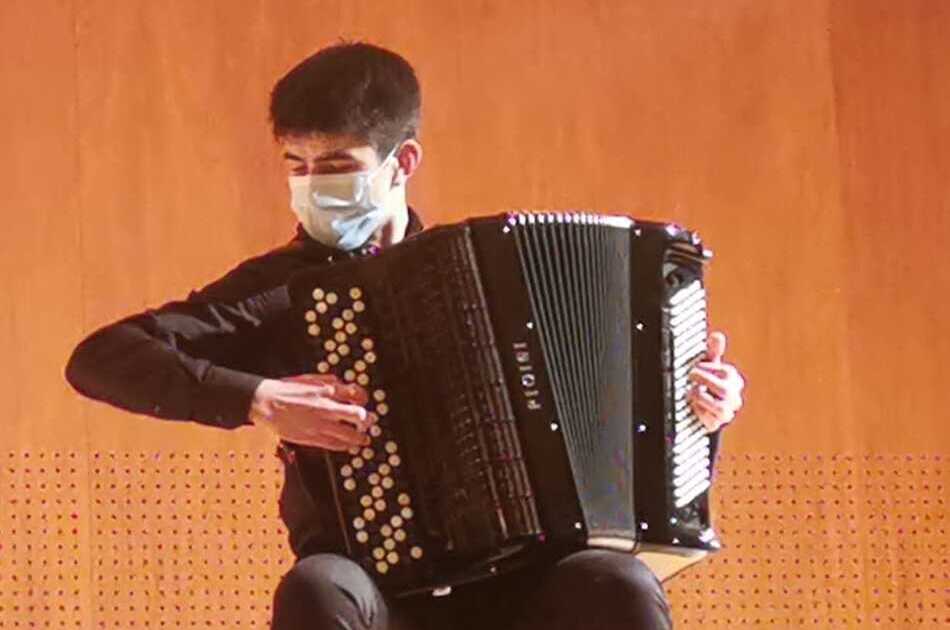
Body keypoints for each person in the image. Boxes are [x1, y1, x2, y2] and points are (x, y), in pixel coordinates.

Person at [64, 41, 745, 630]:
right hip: (377, 593)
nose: (310, 185)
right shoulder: (276, 289)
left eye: (334, 165)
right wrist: (261, 399)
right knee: (317, 587)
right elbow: (101, 359)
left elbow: (629, 434)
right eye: (295, 165)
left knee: (618, 584)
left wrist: (699, 412)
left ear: (403, 159)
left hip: (527, 582)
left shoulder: (491, 273)